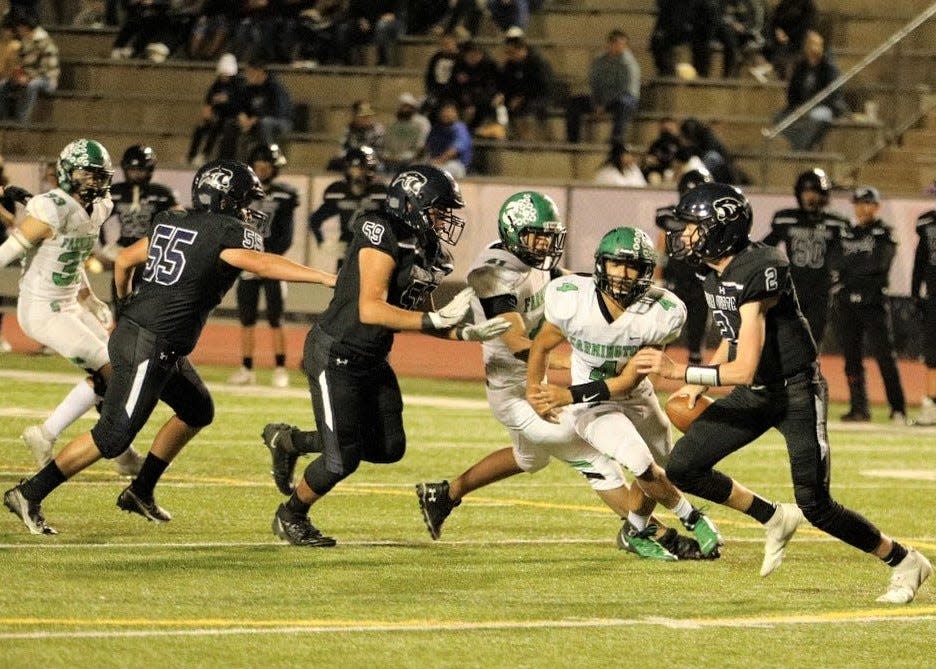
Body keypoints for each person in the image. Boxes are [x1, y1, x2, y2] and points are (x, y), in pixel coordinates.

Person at [2, 159, 337, 536]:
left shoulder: (171, 220)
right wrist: (324, 277)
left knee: (197, 409)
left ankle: (140, 490)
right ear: (225, 200)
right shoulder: (226, 231)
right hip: (150, 342)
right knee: (113, 437)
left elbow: (126, 260)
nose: (249, 210)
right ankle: (28, 493)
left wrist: (123, 305)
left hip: (152, 337)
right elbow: (260, 264)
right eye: (244, 201)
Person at [634, 182, 932, 603]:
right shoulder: (709, 268)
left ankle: (904, 561)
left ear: (722, 228)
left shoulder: (761, 266)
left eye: (692, 227)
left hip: (794, 392)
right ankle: (771, 516)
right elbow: (730, 333)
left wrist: (680, 371)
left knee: (816, 504)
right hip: (756, 393)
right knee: (683, 466)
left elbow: (743, 366)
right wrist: (689, 386)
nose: (683, 236)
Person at [414, 192, 711, 560]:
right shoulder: (493, 273)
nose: (543, 244)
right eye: (534, 237)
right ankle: (652, 532)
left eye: (547, 236)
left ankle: (443, 495)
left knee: (530, 459)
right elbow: (517, 342)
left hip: (539, 380)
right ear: (513, 233)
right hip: (517, 389)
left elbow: (580, 286)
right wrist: (573, 363)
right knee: (597, 460)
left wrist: (616, 281)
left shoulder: (533, 259)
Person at [260, 164, 510, 546]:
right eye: (439, 210)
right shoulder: (380, 230)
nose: (445, 220)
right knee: (340, 460)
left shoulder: (430, 252)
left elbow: (416, 317)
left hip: (373, 358)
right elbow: (371, 310)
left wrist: (464, 333)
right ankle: (290, 514)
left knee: (389, 447)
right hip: (336, 352)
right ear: (412, 203)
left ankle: (289, 442)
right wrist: (433, 318)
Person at [521, 226, 723, 558]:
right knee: (641, 464)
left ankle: (635, 530)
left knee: (664, 466)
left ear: (647, 272)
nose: (624, 275)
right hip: (592, 405)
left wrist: (566, 394)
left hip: (632, 394)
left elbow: (627, 381)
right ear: (601, 264)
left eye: (634, 267)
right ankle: (694, 519)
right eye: (617, 264)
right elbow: (540, 347)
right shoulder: (573, 298)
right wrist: (534, 388)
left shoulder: (662, 311)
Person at [0, 139, 143, 475]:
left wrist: (88, 297)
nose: (93, 182)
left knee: (120, 368)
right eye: (85, 174)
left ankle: (121, 454)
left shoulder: (99, 206)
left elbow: (71, 254)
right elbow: (6, 253)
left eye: (98, 176)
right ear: (67, 172)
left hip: (68, 302)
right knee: (113, 371)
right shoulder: (50, 208)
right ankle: (46, 434)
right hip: (42, 309)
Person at [829, 186, 907, 424]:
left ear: (876, 206)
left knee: (885, 357)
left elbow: (878, 264)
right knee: (851, 357)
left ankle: (898, 408)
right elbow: (834, 260)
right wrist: (855, 267)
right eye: (858, 203)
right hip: (847, 301)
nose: (862, 208)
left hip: (873, 301)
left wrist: (851, 268)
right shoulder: (846, 233)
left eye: (867, 203)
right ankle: (858, 408)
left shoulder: (885, 233)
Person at [228, 144, 298, 389]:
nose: (262, 170)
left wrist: (271, 256)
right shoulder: (243, 193)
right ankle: (247, 368)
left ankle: (280, 368)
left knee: (276, 318)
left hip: (272, 261)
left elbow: (286, 235)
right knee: (246, 319)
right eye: (258, 166)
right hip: (248, 261)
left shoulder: (284, 194)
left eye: (266, 166)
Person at [762, 168, 848, 350]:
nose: (809, 197)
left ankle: (807, 377)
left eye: (814, 192)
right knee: (786, 339)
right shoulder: (787, 219)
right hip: (793, 287)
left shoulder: (836, 223)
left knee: (813, 342)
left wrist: (841, 277)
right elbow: (767, 246)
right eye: (806, 192)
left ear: (823, 195)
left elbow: (845, 256)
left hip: (821, 289)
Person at [100, 144, 181, 301]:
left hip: (151, 251)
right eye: (133, 170)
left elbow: (181, 222)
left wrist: (167, 249)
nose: (136, 174)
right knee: (120, 300)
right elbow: (96, 220)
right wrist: (105, 246)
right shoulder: (114, 192)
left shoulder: (161, 194)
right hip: (124, 249)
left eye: (141, 170)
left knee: (147, 303)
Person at [654, 169, 712, 365]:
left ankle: (693, 392)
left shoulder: (711, 219)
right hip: (674, 282)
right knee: (661, 340)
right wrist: (657, 278)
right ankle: (646, 390)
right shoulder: (669, 216)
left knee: (697, 343)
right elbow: (661, 248)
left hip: (700, 283)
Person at [308, 146, 388, 271]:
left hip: (375, 247)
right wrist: (322, 241)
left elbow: (393, 223)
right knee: (342, 287)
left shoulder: (380, 192)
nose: (357, 173)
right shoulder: (339, 191)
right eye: (353, 168)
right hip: (349, 248)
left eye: (361, 168)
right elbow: (315, 219)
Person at [565, 29, 640, 145]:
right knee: (574, 103)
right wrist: (597, 102)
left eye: (621, 44)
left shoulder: (628, 64)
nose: (618, 46)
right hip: (602, 98)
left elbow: (623, 89)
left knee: (624, 105)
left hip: (622, 98)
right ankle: (573, 140)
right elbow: (594, 83)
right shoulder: (600, 61)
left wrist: (604, 105)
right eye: (615, 42)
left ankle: (616, 139)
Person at [777, 31, 849, 151]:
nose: (815, 47)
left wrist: (810, 107)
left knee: (817, 116)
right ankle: (801, 144)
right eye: (812, 44)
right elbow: (793, 92)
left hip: (825, 106)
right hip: (802, 106)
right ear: (806, 46)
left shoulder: (829, 67)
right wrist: (795, 106)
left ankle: (805, 147)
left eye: (818, 44)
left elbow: (833, 94)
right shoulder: (800, 67)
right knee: (779, 118)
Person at [219, 58, 293, 162]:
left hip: (280, 122)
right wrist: (242, 115)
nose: (247, 75)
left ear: (259, 72)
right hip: (255, 123)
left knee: (266, 123)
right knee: (231, 125)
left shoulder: (274, 87)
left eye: (250, 72)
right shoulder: (249, 88)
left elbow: (276, 110)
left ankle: (274, 157)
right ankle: (227, 161)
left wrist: (255, 119)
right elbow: (239, 105)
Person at [0, 9, 58, 124]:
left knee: (32, 86)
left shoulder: (43, 41)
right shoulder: (25, 41)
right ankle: (3, 118)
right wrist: (19, 75)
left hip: (46, 79)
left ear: (24, 27)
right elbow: (24, 64)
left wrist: (29, 77)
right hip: (28, 76)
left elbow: (48, 68)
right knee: (3, 85)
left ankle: (23, 120)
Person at [187, 53, 242, 167]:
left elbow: (240, 104)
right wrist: (208, 112)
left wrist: (227, 101)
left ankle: (205, 154)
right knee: (201, 127)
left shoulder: (239, 84)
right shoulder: (217, 84)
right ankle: (191, 156)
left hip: (231, 117)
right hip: (218, 115)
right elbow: (208, 101)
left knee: (217, 126)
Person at [912, 207, 936, 425]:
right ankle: (932, 405)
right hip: (934, 298)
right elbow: (920, 260)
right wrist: (915, 294)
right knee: (932, 355)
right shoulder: (927, 224)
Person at [650, 0, 715, 78]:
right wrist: (659, 30)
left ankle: (702, 76)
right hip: (675, 30)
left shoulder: (703, 3)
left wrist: (694, 28)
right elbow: (663, 16)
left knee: (702, 45)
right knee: (657, 41)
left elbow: (708, 19)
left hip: (696, 31)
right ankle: (665, 72)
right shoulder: (671, 2)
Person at [382, 92, 430, 173]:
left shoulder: (421, 123)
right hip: (392, 159)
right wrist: (389, 156)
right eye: (403, 106)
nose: (405, 109)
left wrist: (404, 157)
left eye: (408, 107)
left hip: (413, 159)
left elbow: (421, 146)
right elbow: (387, 144)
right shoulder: (392, 124)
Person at [424, 99, 472, 178]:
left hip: (456, 165)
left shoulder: (460, 128)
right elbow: (426, 147)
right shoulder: (436, 129)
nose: (446, 114)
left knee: (435, 171)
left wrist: (438, 161)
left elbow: (454, 151)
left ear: (456, 113)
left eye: (450, 111)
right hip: (434, 162)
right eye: (444, 111)